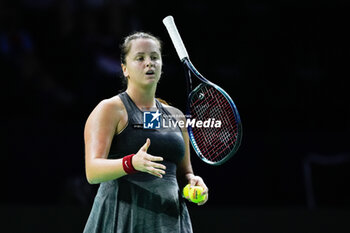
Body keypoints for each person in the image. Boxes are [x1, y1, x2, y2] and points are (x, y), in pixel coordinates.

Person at [83, 32, 208, 233]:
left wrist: (193, 183)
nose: (149, 63)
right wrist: (131, 163)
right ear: (125, 69)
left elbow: (184, 173)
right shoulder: (111, 110)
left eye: (154, 57)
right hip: (124, 219)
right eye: (140, 58)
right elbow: (92, 171)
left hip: (169, 222)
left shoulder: (176, 117)